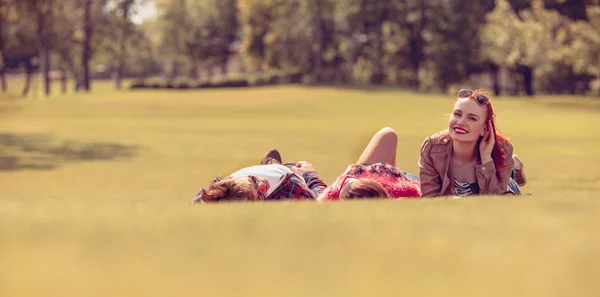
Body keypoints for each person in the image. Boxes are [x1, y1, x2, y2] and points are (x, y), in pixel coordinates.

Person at [418, 89, 527, 198]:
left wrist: (486, 159)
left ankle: (514, 167)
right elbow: (429, 197)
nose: (460, 122)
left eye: (472, 118)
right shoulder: (432, 148)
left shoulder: (503, 149)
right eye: (457, 114)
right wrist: (452, 200)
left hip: (505, 186)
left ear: (484, 129)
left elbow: (497, 199)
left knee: (511, 189)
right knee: (412, 179)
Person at [316, 127, 422, 201]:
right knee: (388, 134)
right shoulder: (407, 190)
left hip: (383, 175)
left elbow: (317, 193)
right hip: (401, 179)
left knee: (388, 134)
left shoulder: (332, 193)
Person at [190, 155, 327, 203]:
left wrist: (307, 174)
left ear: (230, 178)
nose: (263, 184)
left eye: (253, 180)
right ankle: (272, 164)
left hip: (284, 174)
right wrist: (311, 174)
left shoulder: (210, 195)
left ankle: (272, 164)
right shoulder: (290, 189)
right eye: (260, 194)